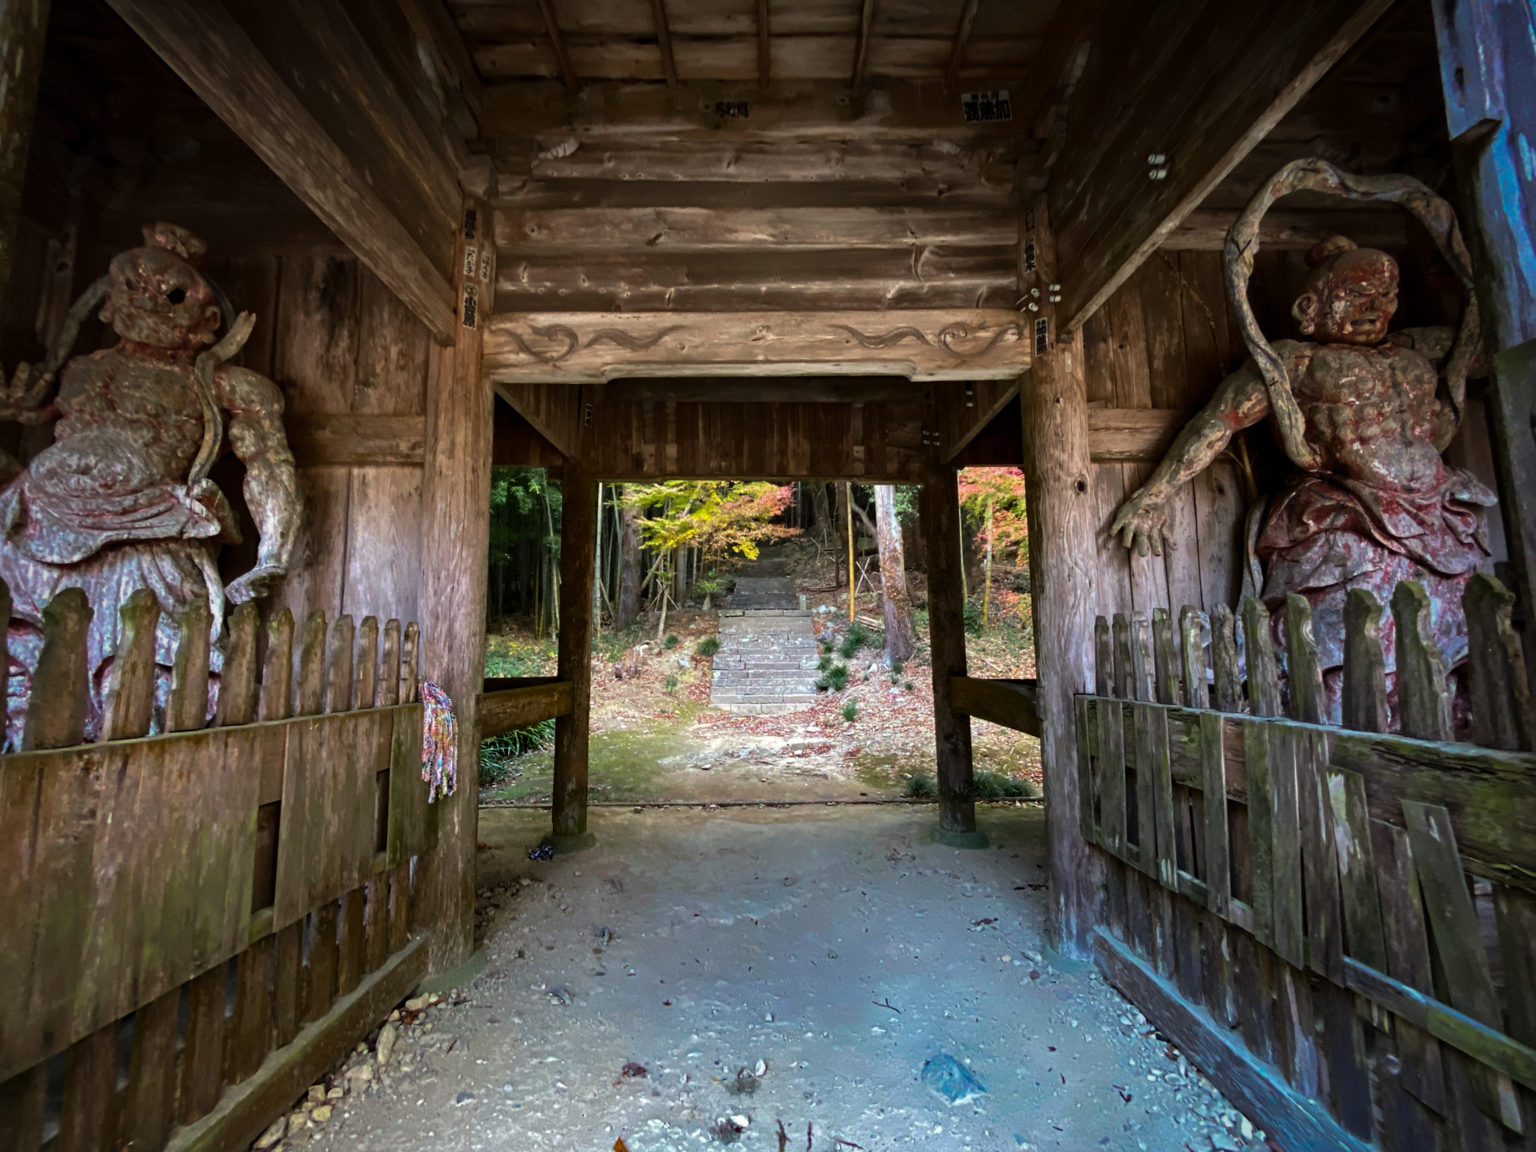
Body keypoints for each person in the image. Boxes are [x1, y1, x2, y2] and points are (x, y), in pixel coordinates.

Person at [1110, 236, 1494, 718]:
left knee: (1464, 615)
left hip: (1435, 510)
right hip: (1343, 509)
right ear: (1312, 304)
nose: (1374, 307)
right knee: (1354, 616)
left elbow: (1502, 336)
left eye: (1385, 295)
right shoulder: (1293, 362)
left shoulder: (1423, 349)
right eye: (1356, 295)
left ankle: (1449, 716)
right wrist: (1153, 496)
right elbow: (1217, 422)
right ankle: (1344, 715)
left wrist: (1463, 281)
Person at [0, 223, 299, 742]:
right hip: (37, 521)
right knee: (26, 652)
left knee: (147, 667)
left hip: (151, 529)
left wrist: (273, 552)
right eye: (134, 287)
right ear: (106, 301)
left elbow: (270, 466)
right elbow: (26, 409)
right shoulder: (76, 370)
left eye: (173, 296)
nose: (151, 303)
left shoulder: (222, 385)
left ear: (206, 321)